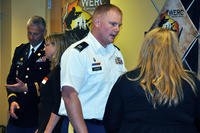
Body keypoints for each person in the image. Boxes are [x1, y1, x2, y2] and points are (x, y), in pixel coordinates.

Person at [103, 27, 200, 133]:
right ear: (175, 50)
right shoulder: (191, 83)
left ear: (145, 49)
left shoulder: (127, 81)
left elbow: (111, 123)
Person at [59, 4, 126, 133]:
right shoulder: (77, 53)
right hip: (82, 125)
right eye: (113, 24)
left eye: (119, 25)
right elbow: (69, 96)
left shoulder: (116, 53)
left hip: (109, 126)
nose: (117, 29)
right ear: (97, 22)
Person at [6, 16, 50, 133]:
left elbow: (49, 83)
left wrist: (27, 88)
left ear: (44, 32)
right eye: (29, 33)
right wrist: (12, 100)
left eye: (35, 34)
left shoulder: (49, 51)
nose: (31, 37)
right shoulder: (20, 50)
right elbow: (11, 79)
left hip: (36, 116)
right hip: (17, 113)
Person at [37, 31, 85, 133]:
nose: (44, 48)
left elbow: (58, 103)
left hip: (54, 126)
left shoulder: (60, 71)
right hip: (45, 122)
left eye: (47, 45)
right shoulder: (54, 70)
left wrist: (47, 130)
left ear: (57, 46)